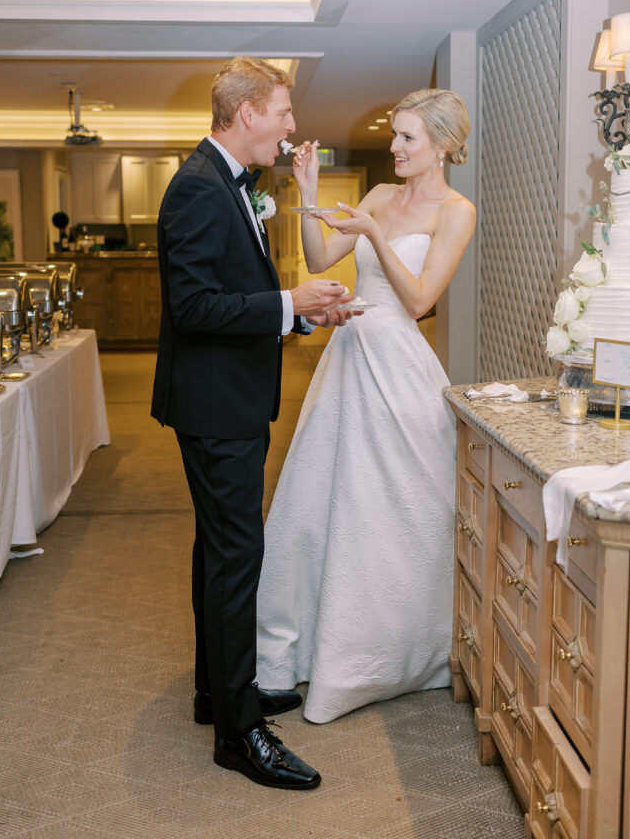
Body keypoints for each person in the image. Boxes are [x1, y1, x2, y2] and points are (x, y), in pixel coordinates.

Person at [151, 56, 354, 789]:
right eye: (284, 112)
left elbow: (243, 295)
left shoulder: (233, 184)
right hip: (215, 407)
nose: (292, 126)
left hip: (225, 398)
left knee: (221, 552)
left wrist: (297, 314)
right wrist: (290, 303)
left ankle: (219, 693)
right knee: (237, 558)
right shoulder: (200, 189)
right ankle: (240, 733)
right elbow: (195, 309)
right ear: (246, 115)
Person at [256, 88, 476, 723]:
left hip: (400, 369)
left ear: (443, 144)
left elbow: (417, 300)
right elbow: (321, 258)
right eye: (396, 135)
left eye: (408, 137)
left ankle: (399, 651)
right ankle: (305, 646)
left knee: (401, 509)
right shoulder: (380, 194)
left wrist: (377, 234)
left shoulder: (457, 210)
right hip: (350, 358)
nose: (395, 147)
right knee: (324, 503)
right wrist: (308, 190)